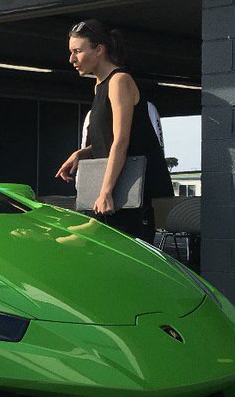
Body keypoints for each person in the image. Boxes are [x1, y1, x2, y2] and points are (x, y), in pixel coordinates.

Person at [55, 19, 172, 241]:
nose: (72, 59)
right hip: (118, 187)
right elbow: (108, 138)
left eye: (77, 51)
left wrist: (106, 192)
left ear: (99, 50)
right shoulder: (100, 86)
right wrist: (81, 153)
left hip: (135, 191)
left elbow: (121, 141)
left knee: (118, 250)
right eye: (71, 52)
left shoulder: (120, 81)